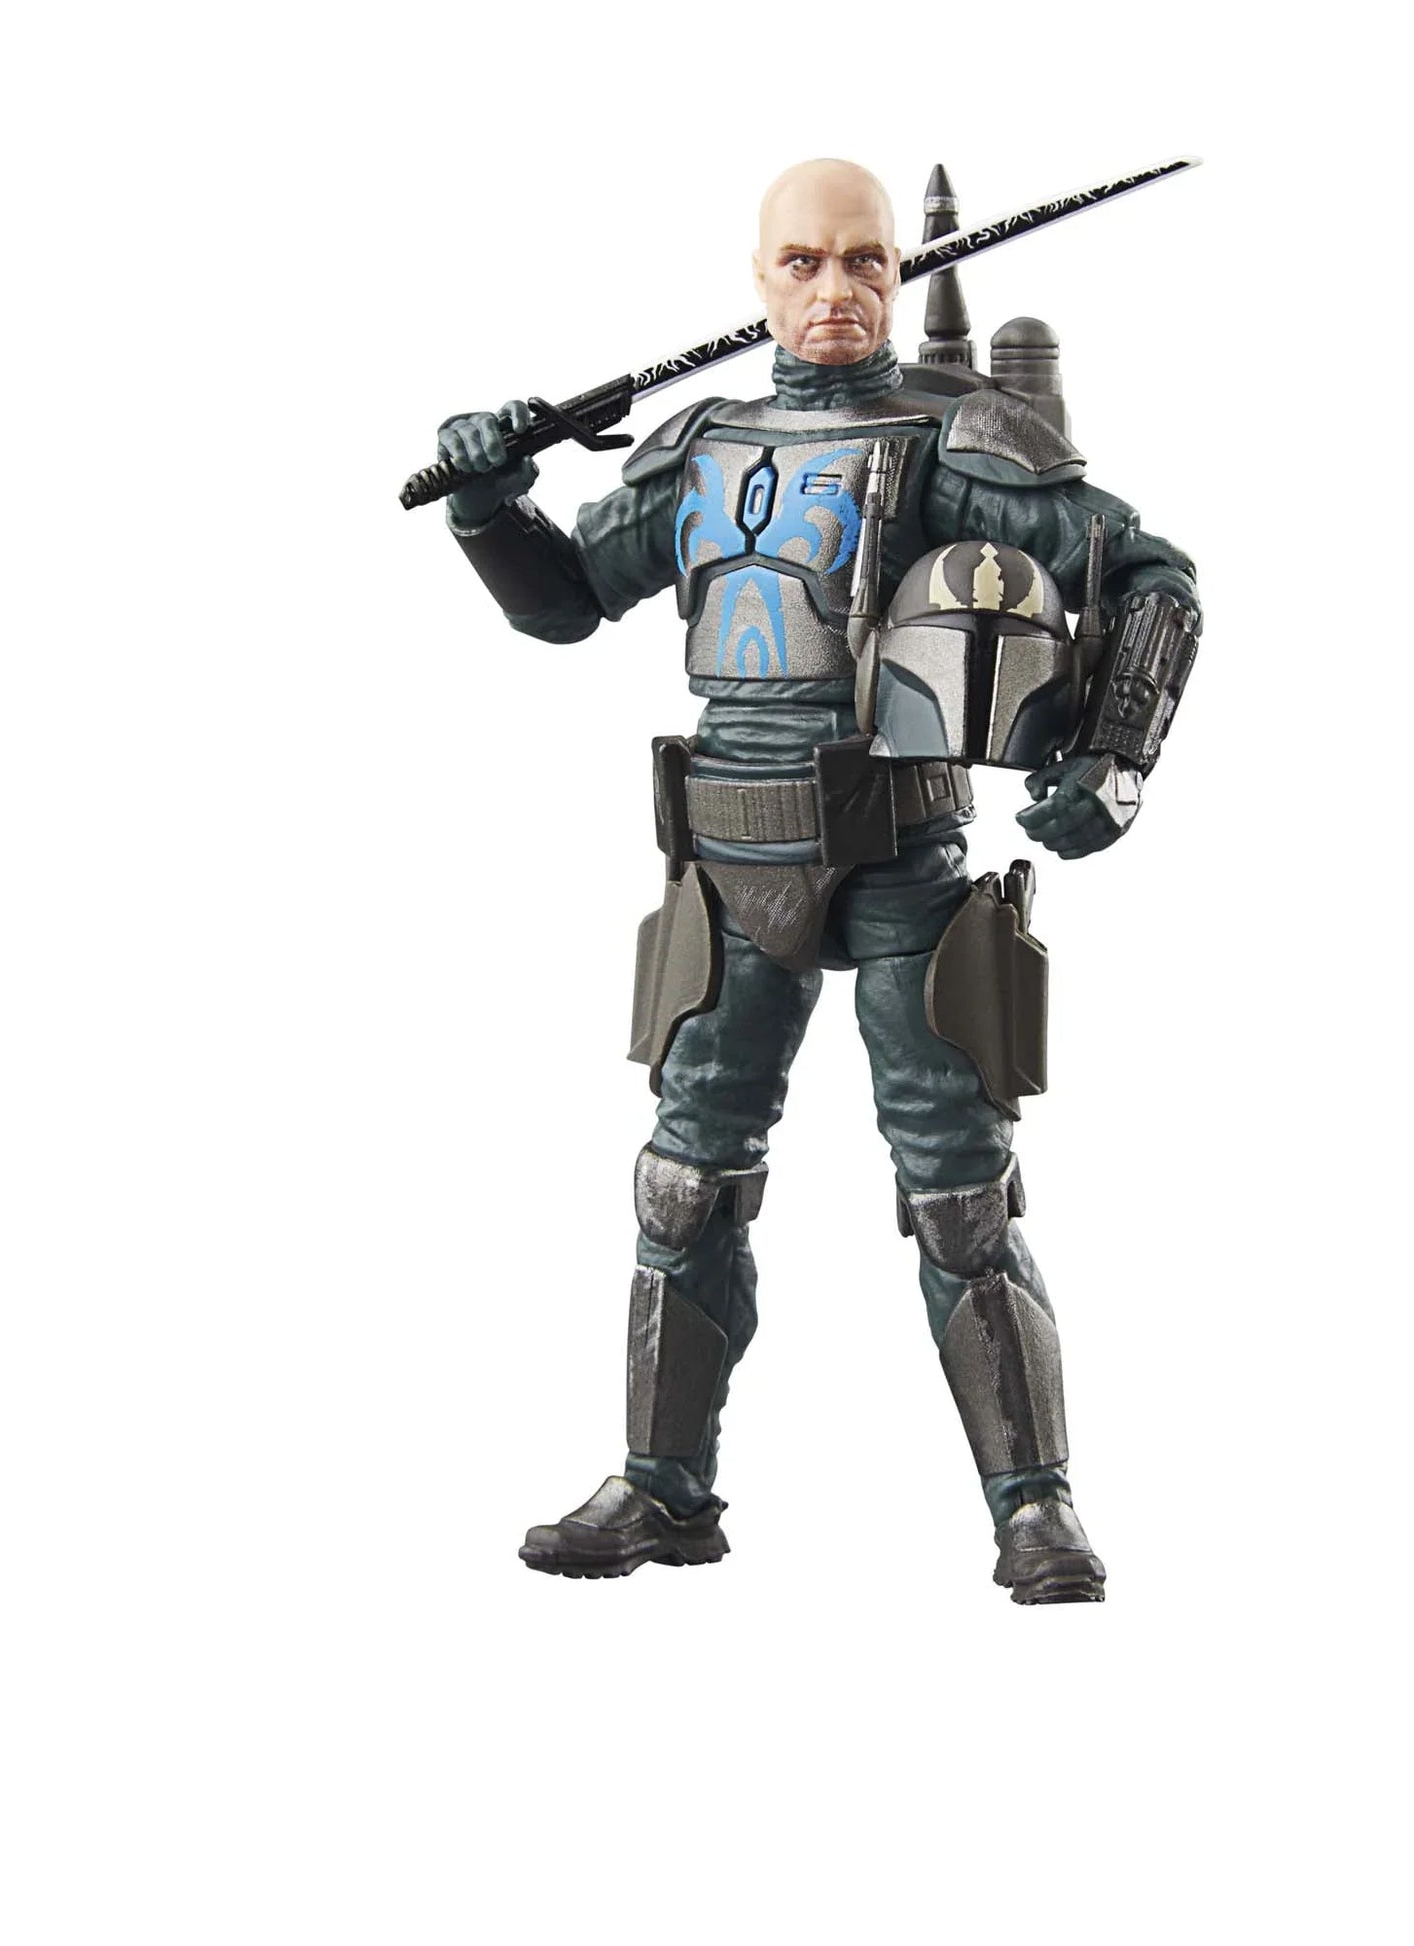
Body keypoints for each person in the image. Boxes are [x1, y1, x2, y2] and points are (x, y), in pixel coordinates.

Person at [435, 159, 1200, 1602]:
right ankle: (663, 1487)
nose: (836, 288)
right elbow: (565, 605)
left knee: (962, 1194)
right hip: (726, 862)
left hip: (902, 855)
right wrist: (488, 504)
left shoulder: (949, 441)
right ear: (760, 277)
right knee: (683, 1182)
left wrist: (1115, 756)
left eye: (865, 260)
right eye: (805, 261)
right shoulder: (699, 446)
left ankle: (1034, 1507)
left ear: (896, 274)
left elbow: (1151, 574)